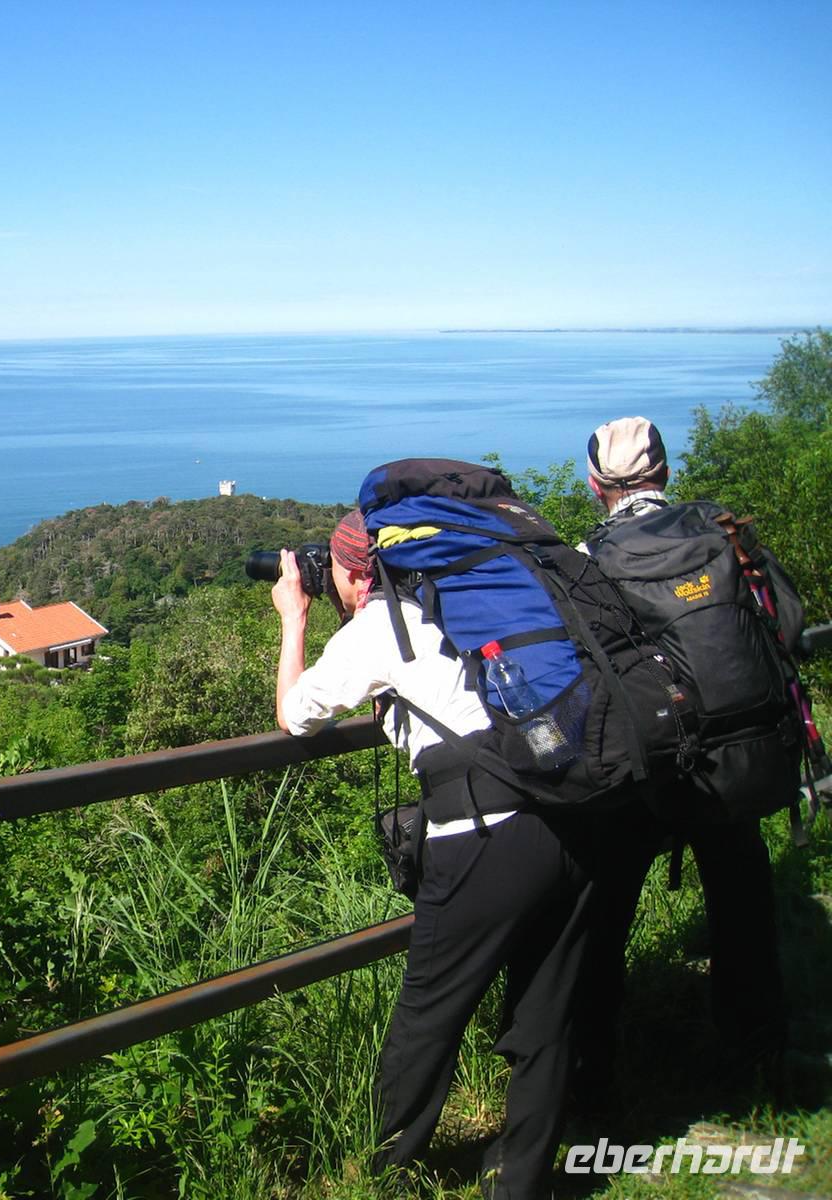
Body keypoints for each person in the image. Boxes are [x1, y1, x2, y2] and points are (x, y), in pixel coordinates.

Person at [273, 509, 598, 1199]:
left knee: (427, 1018)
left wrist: (294, 617)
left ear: (356, 574)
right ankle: (522, 1177)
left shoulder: (380, 628)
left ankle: (388, 1170)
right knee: (546, 1012)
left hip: (481, 839)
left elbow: (295, 713)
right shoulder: (477, 603)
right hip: (569, 819)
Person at [573, 416, 788, 1099]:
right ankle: (758, 1048)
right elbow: (784, 620)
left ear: (595, 483)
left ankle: (595, 1066)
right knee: (742, 897)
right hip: (739, 754)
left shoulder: (591, 556)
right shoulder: (722, 531)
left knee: (605, 909)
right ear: (666, 472)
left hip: (654, 767)